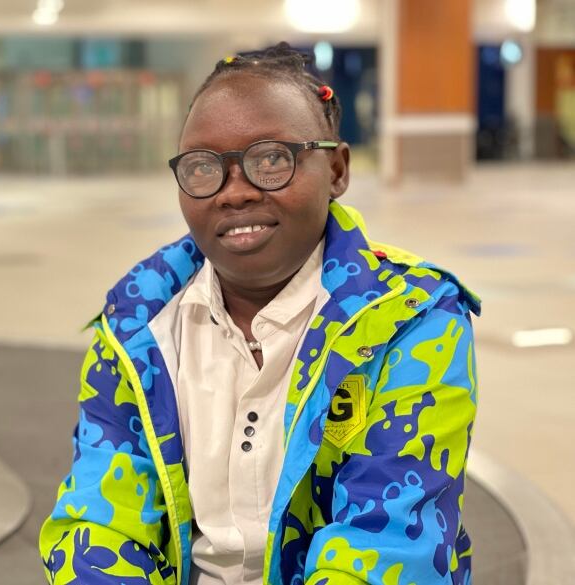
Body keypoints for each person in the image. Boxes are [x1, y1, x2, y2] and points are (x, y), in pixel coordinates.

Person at [39, 43, 480, 585]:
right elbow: (100, 520)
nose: (235, 192)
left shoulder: (411, 320)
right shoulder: (137, 323)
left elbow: (388, 547)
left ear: (337, 169)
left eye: (272, 158)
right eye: (204, 167)